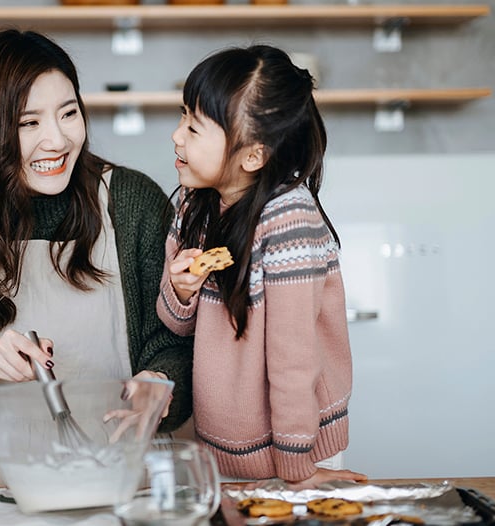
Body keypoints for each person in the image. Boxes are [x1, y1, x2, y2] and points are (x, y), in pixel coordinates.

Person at [0, 29, 193, 488]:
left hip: (129, 457)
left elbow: (177, 340)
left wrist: (160, 380)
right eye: (28, 123)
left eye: (69, 113)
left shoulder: (131, 204)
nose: (56, 140)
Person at [156, 44, 367, 488]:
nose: (176, 135)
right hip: (219, 447)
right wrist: (182, 290)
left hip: (298, 449)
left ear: (252, 156)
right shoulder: (195, 206)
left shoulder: (289, 222)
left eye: (194, 128)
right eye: (182, 117)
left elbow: (294, 358)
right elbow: (176, 326)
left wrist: (297, 471)